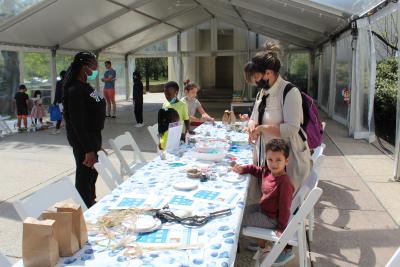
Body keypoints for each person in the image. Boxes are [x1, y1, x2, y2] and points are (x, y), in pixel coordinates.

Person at [244, 42, 310, 191]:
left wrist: (261, 128)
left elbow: (291, 128)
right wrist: (251, 126)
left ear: (268, 73)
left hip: (288, 158)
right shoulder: (263, 92)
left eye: (256, 77)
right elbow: (254, 117)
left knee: (285, 198)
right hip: (269, 155)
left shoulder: (290, 92)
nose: (255, 82)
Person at [233, 139, 295, 265]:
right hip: (263, 209)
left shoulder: (284, 183)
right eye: (270, 159)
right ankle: (263, 247)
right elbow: (257, 170)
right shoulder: (268, 171)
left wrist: (281, 227)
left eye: (278, 160)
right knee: (238, 211)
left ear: (286, 161)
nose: (274, 164)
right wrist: (244, 169)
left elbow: (285, 207)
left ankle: (263, 248)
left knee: (238, 220)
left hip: (272, 218)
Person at [63, 51, 106, 208]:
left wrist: (96, 143)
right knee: (84, 175)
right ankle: (84, 206)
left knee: (92, 173)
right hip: (84, 142)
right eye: (94, 65)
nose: (96, 69)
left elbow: (99, 102)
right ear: (84, 67)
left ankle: (90, 200)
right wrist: (88, 149)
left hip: (93, 137)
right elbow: (77, 123)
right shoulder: (75, 90)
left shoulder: (86, 86)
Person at [52, 70, 66, 134]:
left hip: (61, 101)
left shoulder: (59, 82)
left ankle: (57, 129)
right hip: (69, 101)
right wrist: (99, 99)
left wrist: (55, 102)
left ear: (60, 76)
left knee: (60, 115)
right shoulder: (70, 82)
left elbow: (57, 93)